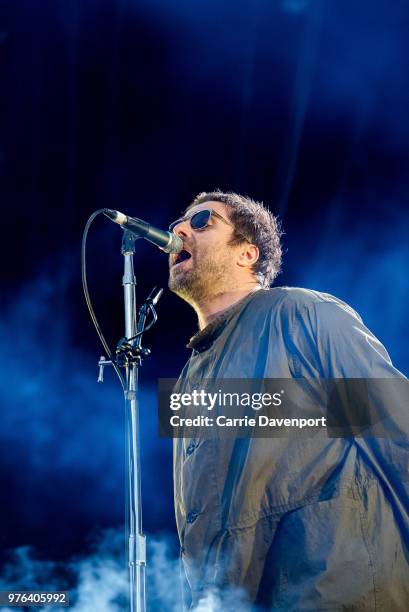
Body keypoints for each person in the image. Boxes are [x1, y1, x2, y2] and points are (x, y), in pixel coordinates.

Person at [167, 190, 409, 611]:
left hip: (336, 592)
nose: (180, 230)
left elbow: (398, 431)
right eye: (177, 225)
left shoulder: (299, 314)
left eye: (203, 220)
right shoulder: (188, 378)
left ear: (247, 253)